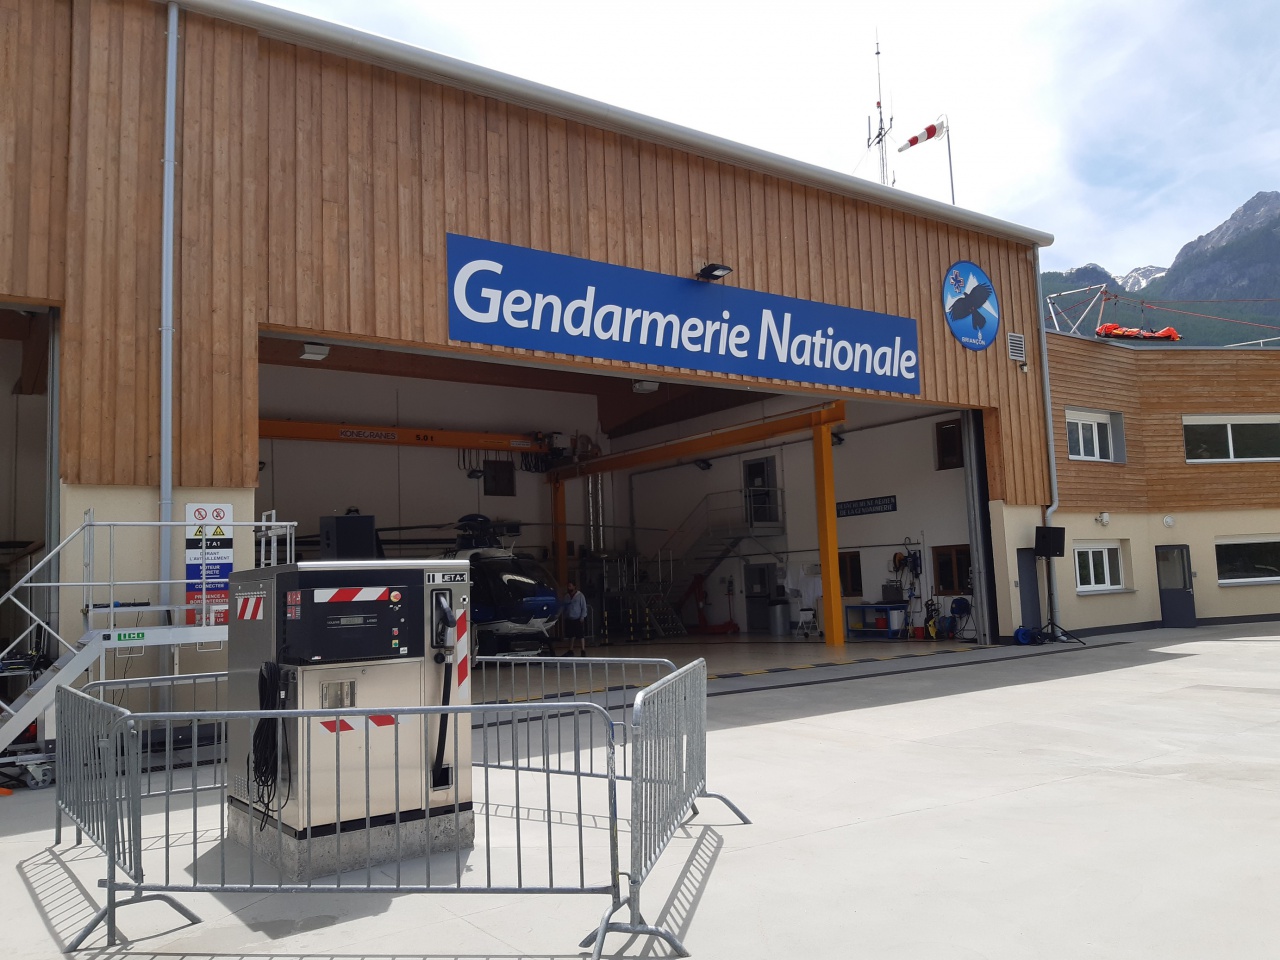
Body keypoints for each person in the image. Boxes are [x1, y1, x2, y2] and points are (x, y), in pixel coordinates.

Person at [561, 582, 588, 657]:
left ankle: (583, 650)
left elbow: (584, 607)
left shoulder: (580, 596)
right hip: (569, 618)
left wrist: (582, 617)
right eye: (568, 586)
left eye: (570, 586)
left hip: (578, 618)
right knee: (571, 635)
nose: (568, 588)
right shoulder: (566, 596)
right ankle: (570, 650)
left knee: (580, 635)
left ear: (574, 586)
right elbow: (564, 607)